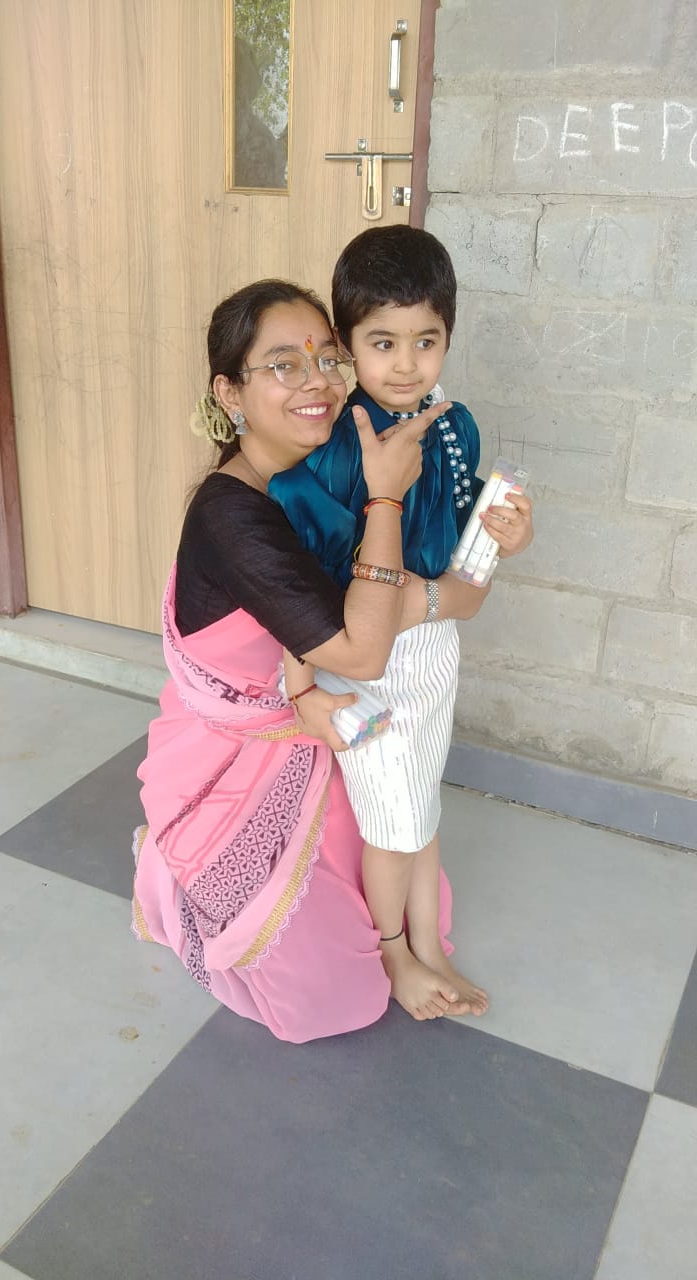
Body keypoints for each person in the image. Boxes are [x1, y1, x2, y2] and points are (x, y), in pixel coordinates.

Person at [132, 278, 478, 1044]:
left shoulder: (327, 469)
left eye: (327, 358)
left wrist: (487, 548)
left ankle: (404, 945)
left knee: (404, 830)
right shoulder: (235, 516)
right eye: (284, 365)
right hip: (245, 755)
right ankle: (178, 880)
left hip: (325, 717)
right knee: (339, 997)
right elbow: (364, 647)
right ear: (230, 392)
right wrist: (386, 501)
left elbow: (447, 589)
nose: (317, 381)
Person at [269, 226, 534, 1023]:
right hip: (364, 659)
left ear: (448, 335)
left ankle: (429, 943)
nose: (407, 364)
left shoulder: (455, 425)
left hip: (432, 647)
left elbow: (463, 519)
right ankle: (393, 953)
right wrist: (301, 685)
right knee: (391, 822)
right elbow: (292, 573)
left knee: (420, 801)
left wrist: (506, 531)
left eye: (427, 340)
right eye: (382, 343)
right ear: (347, 345)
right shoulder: (334, 449)